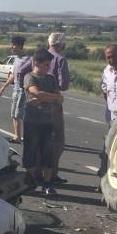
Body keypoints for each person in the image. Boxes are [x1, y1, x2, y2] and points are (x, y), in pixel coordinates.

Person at [23, 49, 62, 194]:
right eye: (45, 65)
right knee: (30, 151)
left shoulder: (51, 78)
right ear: (35, 63)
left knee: (48, 153)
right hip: (32, 121)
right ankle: (31, 180)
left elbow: (59, 97)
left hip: (49, 121)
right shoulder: (29, 77)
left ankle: (47, 183)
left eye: (49, 65)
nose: (48, 68)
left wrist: (43, 97)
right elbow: (35, 92)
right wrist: (46, 96)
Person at [47, 32, 71, 184]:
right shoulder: (60, 60)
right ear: (61, 44)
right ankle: (52, 173)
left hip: (37, 102)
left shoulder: (38, 56)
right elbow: (64, 85)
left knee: (41, 138)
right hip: (54, 103)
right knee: (56, 141)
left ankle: (38, 171)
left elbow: (21, 71)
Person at [0, 35, 29, 143]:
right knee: (13, 114)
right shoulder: (16, 59)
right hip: (15, 89)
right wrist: (3, 87)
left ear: (19, 46)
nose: (12, 47)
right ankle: (17, 136)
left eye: (13, 45)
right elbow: (13, 75)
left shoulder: (27, 60)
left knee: (19, 114)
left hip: (22, 90)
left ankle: (20, 136)